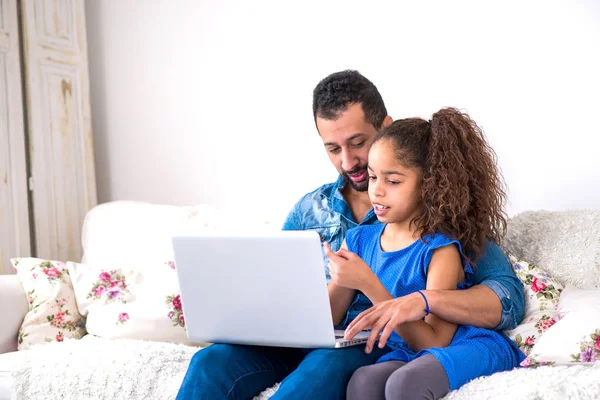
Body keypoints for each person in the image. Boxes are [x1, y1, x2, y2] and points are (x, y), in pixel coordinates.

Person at [175, 71, 524, 399]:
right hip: (315, 336)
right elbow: (285, 296)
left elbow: (506, 295)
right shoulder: (309, 210)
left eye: (358, 143)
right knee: (209, 363)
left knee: (325, 364)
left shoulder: (437, 220)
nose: (347, 161)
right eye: (333, 148)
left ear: (385, 128)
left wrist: (413, 298)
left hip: (374, 343)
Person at [324, 109, 524, 399]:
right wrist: (338, 276)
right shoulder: (358, 240)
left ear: (428, 185)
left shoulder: (440, 247)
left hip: (463, 345)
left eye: (392, 181)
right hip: (407, 349)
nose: (376, 191)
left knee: (404, 384)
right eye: (372, 177)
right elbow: (328, 317)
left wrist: (368, 283)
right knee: (363, 381)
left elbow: (434, 342)